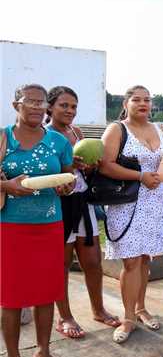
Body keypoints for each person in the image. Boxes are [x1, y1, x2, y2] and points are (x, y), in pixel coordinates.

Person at [0, 84, 75, 357]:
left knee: (47, 292)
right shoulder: (3, 137)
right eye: (28, 101)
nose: (35, 107)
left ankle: (43, 351)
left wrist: (65, 186)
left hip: (49, 225)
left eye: (40, 102)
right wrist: (7, 187)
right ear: (15, 103)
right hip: (11, 228)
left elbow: (69, 175)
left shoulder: (58, 140)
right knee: (12, 297)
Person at [46, 86, 120, 339]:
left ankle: (98, 309)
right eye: (63, 105)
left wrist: (89, 166)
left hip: (84, 201)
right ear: (50, 107)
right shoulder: (46, 136)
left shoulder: (76, 132)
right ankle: (64, 317)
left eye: (73, 106)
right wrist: (68, 166)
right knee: (62, 264)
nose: (69, 110)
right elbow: (50, 172)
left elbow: (83, 172)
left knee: (93, 262)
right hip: (60, 206)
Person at [100, 85, 163, 344]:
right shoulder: (117, 129)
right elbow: (105, 165)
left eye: (147, 100)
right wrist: (140, 176)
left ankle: (141, 308)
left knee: (145, 260)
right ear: (126, 103)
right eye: (137, 99)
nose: (143, 104)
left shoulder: (160, 130)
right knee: (130, 262)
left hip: (154, 203)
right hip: (126, 203)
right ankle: (128, 317)